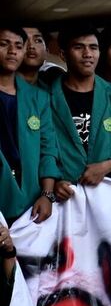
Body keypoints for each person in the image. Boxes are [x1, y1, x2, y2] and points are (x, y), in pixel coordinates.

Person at [45, 22, 111, 199]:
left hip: (108, 195)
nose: (88, 54)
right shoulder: (45, 96)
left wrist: (108, 165)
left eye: (93, 47)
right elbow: (42, 149)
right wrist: (54, 182)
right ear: (63, 54)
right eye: (78, 47)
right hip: (65, 196)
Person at [0, 24, 58, 225]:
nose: (12, 51)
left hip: (30, 201)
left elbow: (48, 148)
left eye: (18, 45)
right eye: (4, 44)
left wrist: (47, 194)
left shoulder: (38, 97)